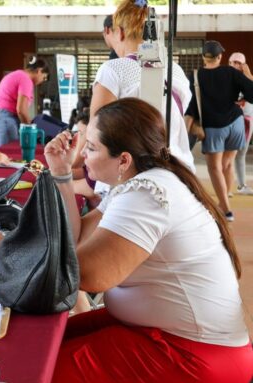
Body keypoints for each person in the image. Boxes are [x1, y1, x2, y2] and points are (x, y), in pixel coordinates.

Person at [0, 98, 252, 383]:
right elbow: (77, 240)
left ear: (123, 160)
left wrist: (9, 250)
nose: (83, 155)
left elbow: (90, 275)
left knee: (30, 380)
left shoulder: (146, 194)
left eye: (91, 148)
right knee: (36, 345)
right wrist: (62, 172)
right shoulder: (138, 184)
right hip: (165, 335)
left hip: (192, 356)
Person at [90, 0, 195, 174]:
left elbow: (98, 129)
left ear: (120, 32)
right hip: (177, 168)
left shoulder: (113, 69)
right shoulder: (175, 71)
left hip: (131, 172)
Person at [185, 41, 253, 221]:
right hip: (236, 124)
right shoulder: (231, 72)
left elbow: (190, 107)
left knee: (215, 168)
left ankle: (226, 209)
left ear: (203, 57)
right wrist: (247, 75)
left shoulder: (195, 77)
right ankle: (225, 201)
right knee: (227, 164)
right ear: (220, 57)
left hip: (213, 127)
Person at [0, 57, 49, 147]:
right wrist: (31, 129)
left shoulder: (17, 74)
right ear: (39, 71)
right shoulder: (26, 79)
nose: (41, 82)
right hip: (6, 121)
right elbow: (21, 110)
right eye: (44, 78)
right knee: (9, 158)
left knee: (5, 157)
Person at [228, 51, 253, 195]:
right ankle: (227, 187)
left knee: (241, 153)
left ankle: (242, 185)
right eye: (233, 62)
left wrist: (248, 74)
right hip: (232, 119)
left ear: (244, 65)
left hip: (248, 119)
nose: (236, 65)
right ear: (229, 63)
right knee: (229, 153)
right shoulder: (226, 77)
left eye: (239, 62)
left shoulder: (248, 78)